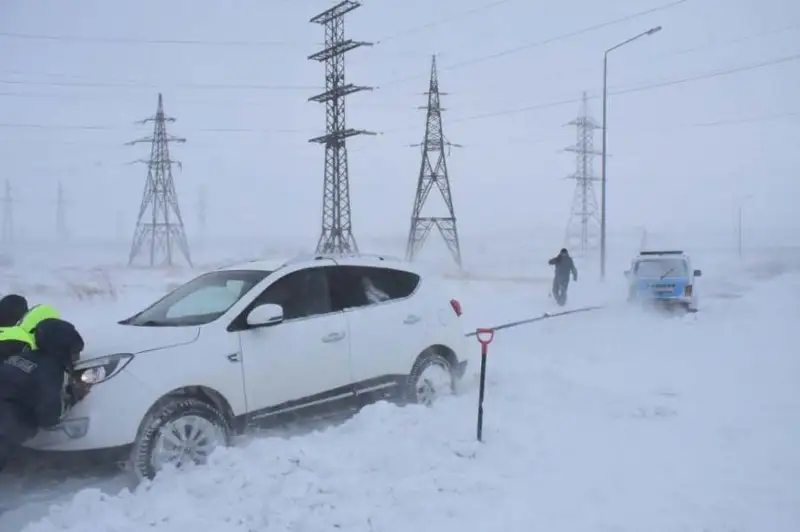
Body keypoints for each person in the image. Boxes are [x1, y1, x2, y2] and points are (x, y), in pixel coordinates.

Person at [0, 317, 86, 472]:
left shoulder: (22, 357)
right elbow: (48, 417)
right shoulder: (51, 370)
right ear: (62, 349)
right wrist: (73, 397)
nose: (77, 358)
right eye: (75, 353)